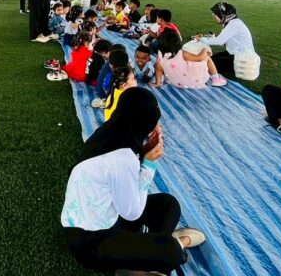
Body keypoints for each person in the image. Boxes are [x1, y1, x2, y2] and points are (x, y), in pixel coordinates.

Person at [62, 87, 204, 274]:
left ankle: (143, 257)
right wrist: (149, 165)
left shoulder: (108, 134)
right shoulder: (123, 158)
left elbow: (118, 180)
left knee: (168, 204)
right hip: (91, 242)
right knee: (172, 251)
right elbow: (132, 213)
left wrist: (143, 152)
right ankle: (172, 245)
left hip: (105, 216)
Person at [198, 1, 255, 79]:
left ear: (222, 15)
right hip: (235, 54)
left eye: (215, 14)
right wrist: (209, 38)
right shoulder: (231, 22)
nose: (214, 17)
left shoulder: (233, 24)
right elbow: (223, 39)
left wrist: (201, 39)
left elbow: (219, 41)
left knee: (208, 63)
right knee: (209, 60)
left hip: (241, 59)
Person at [154, 29, 226, 89]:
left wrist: (158, 83)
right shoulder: (182, 53)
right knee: (207, 57)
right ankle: (216, 79)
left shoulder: (160, 55)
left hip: (175, 83)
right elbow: (199, 58)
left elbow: (158, 69)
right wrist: (205, 49)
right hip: (195, 83)